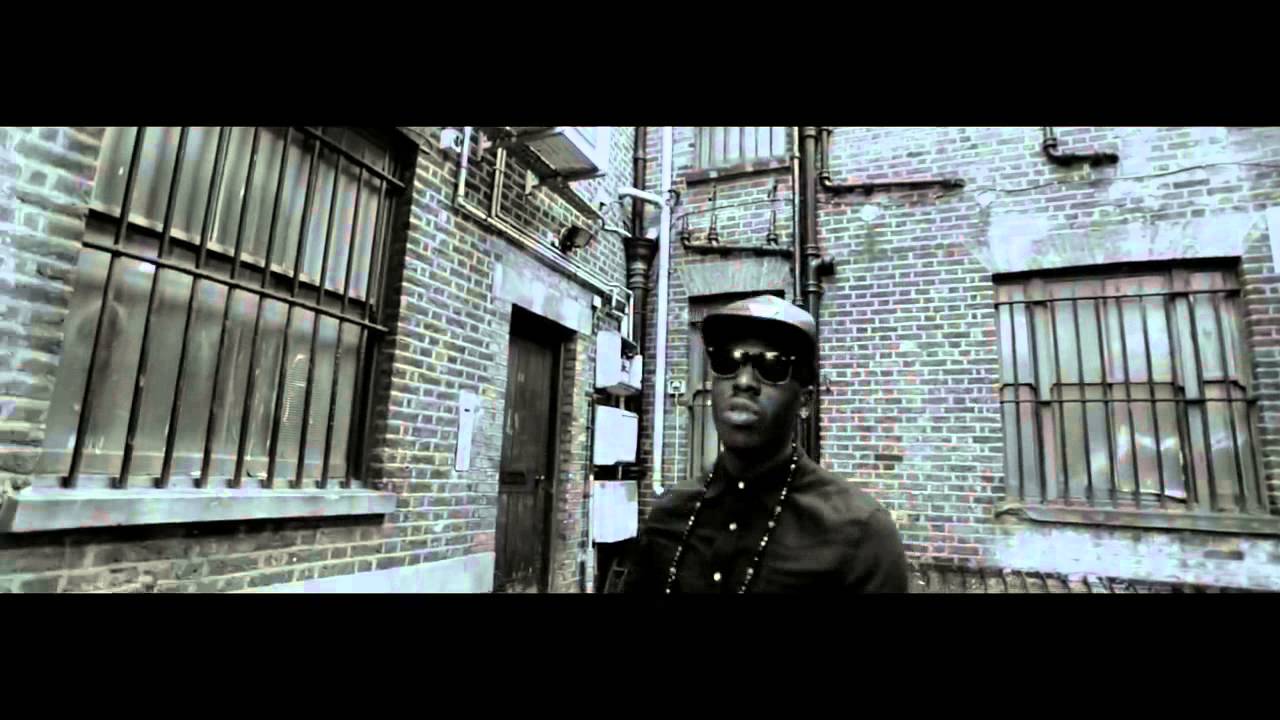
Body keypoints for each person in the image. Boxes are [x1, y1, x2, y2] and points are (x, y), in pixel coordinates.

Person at [618, 294, 908, 593]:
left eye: (772, 365)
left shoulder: (860, 533)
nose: (743, 381)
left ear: (805, 401)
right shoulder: (669, 515)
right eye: (727, 360)